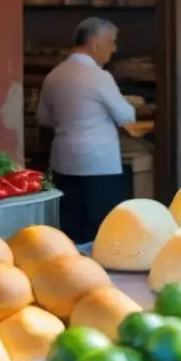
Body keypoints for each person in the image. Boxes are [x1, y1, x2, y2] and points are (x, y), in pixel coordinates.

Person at [36, 17, 136, 244]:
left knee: (70, 226)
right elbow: (126, 115)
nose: (114, 48)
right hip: (98, 163)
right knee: (99, 230)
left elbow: (43, 117)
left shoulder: (54, 75)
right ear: (95, 43)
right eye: (111, 42)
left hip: (64, 161)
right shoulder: (99, 77)